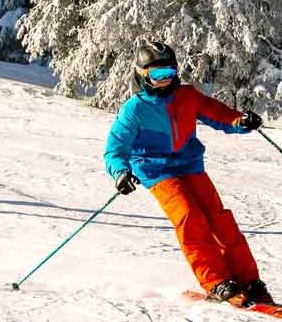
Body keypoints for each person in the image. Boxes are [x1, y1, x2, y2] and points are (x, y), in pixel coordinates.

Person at [103, 42, 271, 307]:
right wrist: (120, 173)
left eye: (170, 72)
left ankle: (248, 279)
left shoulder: (187, 96)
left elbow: (218, 114)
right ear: (142, 75)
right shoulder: (134, 109)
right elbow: (115, 147)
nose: (165, 80)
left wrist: (240, 121)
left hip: (188, 163)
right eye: (158, 75)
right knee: (188, 216)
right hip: (155, 169)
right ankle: (215, 280)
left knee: (219, 217)